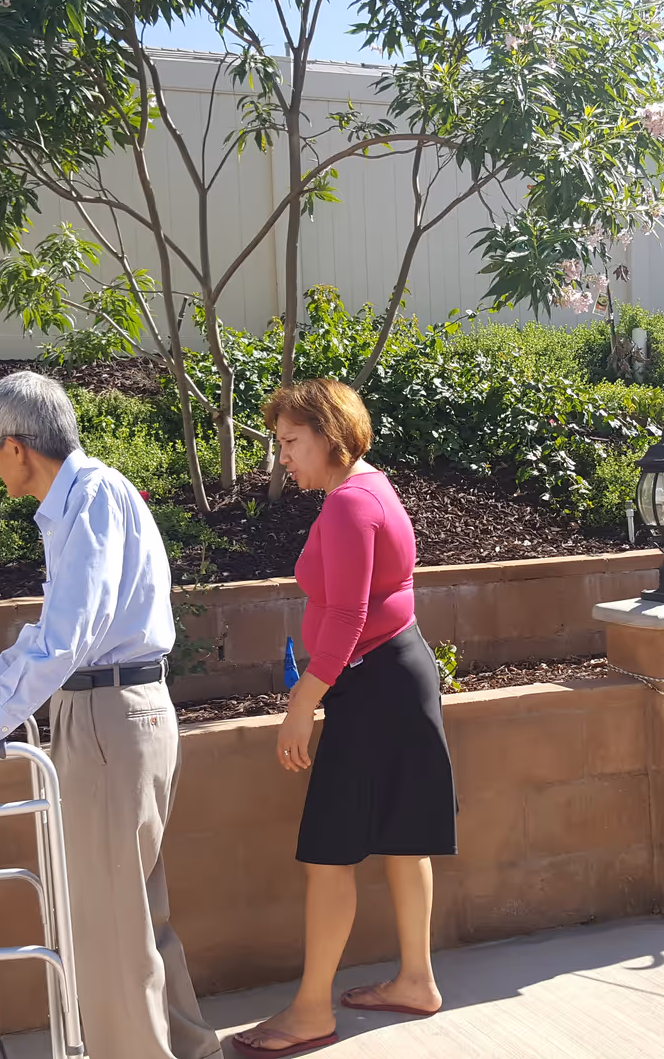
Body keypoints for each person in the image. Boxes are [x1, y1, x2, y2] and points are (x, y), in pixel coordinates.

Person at [0, 370, 220, 1059]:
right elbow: (58, 631)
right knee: (135, 912)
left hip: (110, 713)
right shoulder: (82, 501)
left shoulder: (89, 500)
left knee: (109, 921)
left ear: (17, 446)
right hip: (114, 709)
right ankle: (189, 1050)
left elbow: (69, 638)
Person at [231, 379, 458, 1059]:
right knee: (401, 839)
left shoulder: (348, 507)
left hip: (374, 683)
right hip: (395, 674)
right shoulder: (367, 489)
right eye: (280, 444)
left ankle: (309, 1013)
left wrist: (302, 706)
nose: (285, 459)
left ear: (331, 437)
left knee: (329, 852)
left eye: (293, 443)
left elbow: (350, 614)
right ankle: (416, 980)